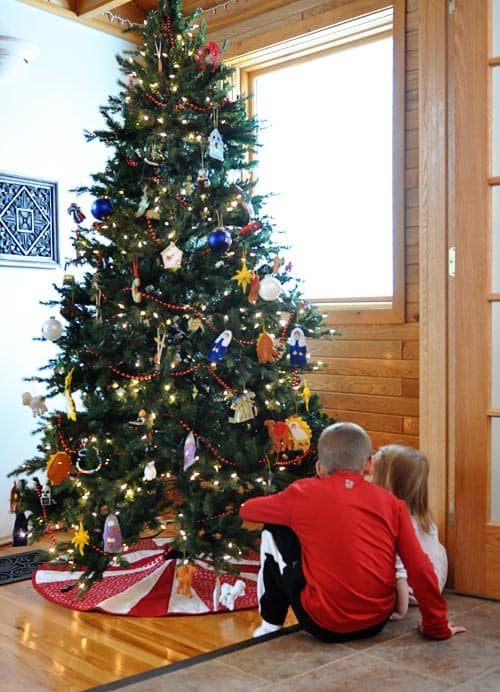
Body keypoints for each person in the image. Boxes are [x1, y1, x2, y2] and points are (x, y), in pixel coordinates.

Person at [239, 422, 465, 641]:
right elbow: (419, 566)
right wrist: (436, 626)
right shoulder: (392, 503)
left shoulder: (302, 493)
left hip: (324, 625)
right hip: (376, 622)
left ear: (319, 467)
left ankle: (270, 624)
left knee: (274, 525)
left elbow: (248, 511)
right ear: (368, 465)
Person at [372, 444, 448, 603]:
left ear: (387, 482)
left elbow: (397, 563)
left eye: (373, 474)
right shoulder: (423, 516)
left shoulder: (392, 519)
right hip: (433, 582)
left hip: (406, 590)